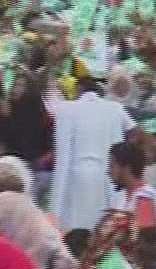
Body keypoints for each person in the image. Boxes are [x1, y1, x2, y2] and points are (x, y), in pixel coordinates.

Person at [50, 75, 137, 233]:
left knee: (73, 226)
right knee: (101, 226)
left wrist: (55, 207)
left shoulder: (65, 109)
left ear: (79, 90)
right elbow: (134, 131)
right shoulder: (115, 108)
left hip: (75, 177)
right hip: (105, 177)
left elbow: (62, 156)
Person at [108, 139, 156, 248]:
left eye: (112, 166)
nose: (109, 172)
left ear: (127, 168)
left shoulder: (144, 197)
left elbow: (145, 241)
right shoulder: (124, 196)